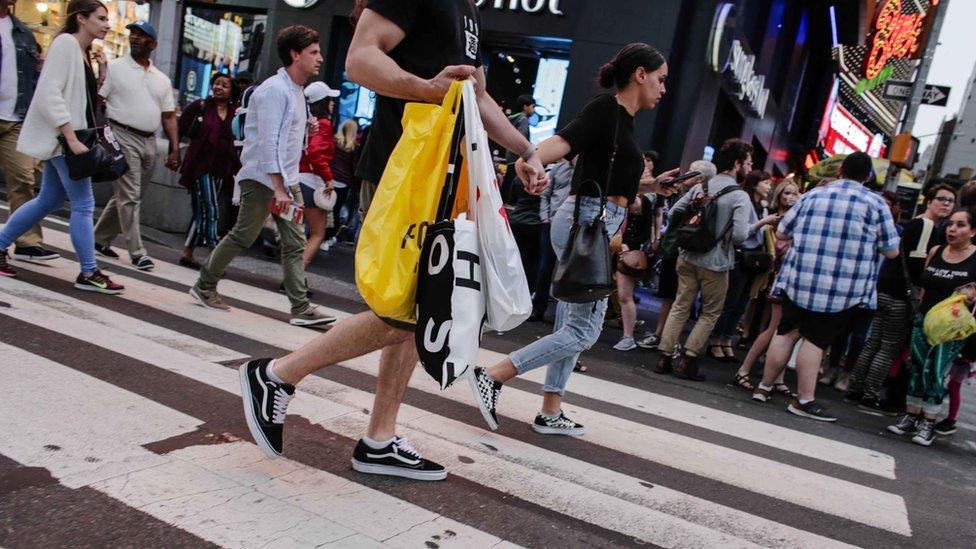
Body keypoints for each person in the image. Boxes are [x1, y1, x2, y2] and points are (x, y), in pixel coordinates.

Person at [238, 0, 547, 481]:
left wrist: (525, 150)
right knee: (409, 312)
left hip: (435, 178)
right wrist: (425, 89)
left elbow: (475, 96)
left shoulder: (466, 9)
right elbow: (360, 58)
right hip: (400, 171)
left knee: (417, 311)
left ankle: (379, 438)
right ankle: (277, 374)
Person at [469, 43, 677, 436]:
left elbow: (615, 183)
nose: (664, 88)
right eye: (661, 79)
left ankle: (551, 409)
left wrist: (652, 186)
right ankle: (493, 374)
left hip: (594, 222)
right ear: (640, 75)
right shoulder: (605, 110)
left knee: (570, 323)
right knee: (584, 330)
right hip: (586, 224)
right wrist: (529, 157)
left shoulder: (624, 122)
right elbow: (561, 143)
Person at [189, 25, 335, 328]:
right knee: (244, 234)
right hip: (263, 180)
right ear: (295, 54)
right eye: (313, 52)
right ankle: (204, 285)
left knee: (295, 242)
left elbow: (286, 141)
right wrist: (279, 188)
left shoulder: (296, 93)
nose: (320, 58)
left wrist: (305, 134)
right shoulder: (273, 91)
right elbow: (268, 143)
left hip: (287, 180)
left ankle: (301, 307)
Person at [751, 152, 899, 422]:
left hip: (799, 278)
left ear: (840, 170)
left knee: (785, 332)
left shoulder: (812, 196)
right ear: (867, 176)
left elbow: (782, 231)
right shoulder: (876, 204)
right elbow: (891, 250)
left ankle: (763, 387)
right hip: (841, 289)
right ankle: (804, 400)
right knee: (815, 341)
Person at [0, 1, 124, 293]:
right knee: (83, 204)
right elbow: (49, 94)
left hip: (67, 138)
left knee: (49, 200)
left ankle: (1, 245)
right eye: (101, 18)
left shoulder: (81, 51)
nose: (107, 24)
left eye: (108, 19)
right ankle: (89, 272)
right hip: (65, 140)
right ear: (81, 18)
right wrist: (70, 138)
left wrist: (103, 69)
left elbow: (82, 98)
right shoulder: (66, 44)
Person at [845, 184, 955, 413]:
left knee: (873, 343)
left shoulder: (914, 223)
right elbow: (917, 263)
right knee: (887, 348)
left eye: (951, 201)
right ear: (929, 201)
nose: (946, 204)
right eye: (941, 199)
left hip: (885, 290)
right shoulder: (925, 225)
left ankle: (855, 388)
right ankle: (869, 393)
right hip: (901, 295)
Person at [653, 139, 754, 381]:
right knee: (710, 312)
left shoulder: (702, 187)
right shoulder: (739, 196)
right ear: (737, 164)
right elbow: (740, 235)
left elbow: (677, 210)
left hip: (687, 255)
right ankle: (688, 360)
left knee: (680, 305)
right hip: (716, 261)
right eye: (748, 163)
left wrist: (687, 229)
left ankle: (664, 356)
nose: (750, 168)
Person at [92, 21, 179, 271]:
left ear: (153, 44)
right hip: (122, 135)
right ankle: (137, 252)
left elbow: (169, 116)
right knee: (129, 195)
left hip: (149, 140)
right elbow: (99, 99)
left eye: (142, 36)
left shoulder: (161, 79)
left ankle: (98, 239)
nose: (135, 38)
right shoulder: (116, 68)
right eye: (133, 34)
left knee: (131, 195)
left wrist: (174, 148)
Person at [888, 208, 976, 446]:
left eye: (960, 225)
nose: (953, 229)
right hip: (924, 319)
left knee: (936, 372)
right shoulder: (936, 251)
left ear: (972, 231)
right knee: (916, 367)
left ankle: (929, 423)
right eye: (950, 224)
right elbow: (924, 287)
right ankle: (911, 415)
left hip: (951, 328)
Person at [0, 0, 59, 262]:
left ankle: (27, 242)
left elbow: (36, 77)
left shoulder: (23, 32)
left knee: (23, 179)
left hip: (14, 117)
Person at [637, 160, 716, 349]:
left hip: (680, 249)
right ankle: (664, 336)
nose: (686, 174)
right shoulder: (686, 193)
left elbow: (672, 213)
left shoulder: (698, 196)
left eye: (691, 172)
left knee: (676, 297)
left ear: (700, 178)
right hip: (676, 247)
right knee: (670, 296)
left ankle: (665, 338)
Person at [730, 179, 799, 393]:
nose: (790, 198)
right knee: (775, 328)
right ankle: (746, 369)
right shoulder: (777, 220)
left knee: (783, 330)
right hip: (776, 277)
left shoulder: (796, 219)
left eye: (793, 194)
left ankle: (775, 376)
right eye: (786, 193)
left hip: (787, 280)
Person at [709, 170, 778, 362]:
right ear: (755, 183)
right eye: (765, 183)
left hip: (754, 259)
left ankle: (727, 340)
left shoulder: (762, 207)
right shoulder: (745, 201)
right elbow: (741, 231)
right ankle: (716, 340)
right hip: (741, 256)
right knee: (730, 301)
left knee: (742, 304)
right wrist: (763, 223)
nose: (768, 187)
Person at [177, 73, 241, 269]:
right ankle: (215, 257)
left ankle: (187, 253)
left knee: (202, 211)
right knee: (211, 209)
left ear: (231, 91)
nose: (219, 87)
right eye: (216, 84)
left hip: (222, 168)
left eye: (224, 85)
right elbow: (180, 126)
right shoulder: (201, 106)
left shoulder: (235, 113)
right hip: (200, 166)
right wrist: (174, 151)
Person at [297, 81, 340, 266]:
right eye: (330, 99)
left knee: (296, 233)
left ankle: (293, 277)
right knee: (318, 233)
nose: (333, 103)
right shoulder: (323, 124)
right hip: (311, 182)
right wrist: (329, 178)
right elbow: (316, 153)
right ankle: (295, 278)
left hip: (295, 179)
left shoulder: (304, 121)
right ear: (323, 102)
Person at [529, 157, 574, 321]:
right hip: (551, 222)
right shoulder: (559, 168)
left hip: (573, 226)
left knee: (567, 271)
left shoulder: (586, 170)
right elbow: (546, 194)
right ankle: (538, 308)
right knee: (545, 268)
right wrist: (545, 217)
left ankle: (563, 315)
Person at [612, 192, 656, 351]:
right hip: (614, 248)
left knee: (624, 296)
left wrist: (627, 245)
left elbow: (645, 232)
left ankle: (628, 336)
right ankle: (626, 336)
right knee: (616, 294)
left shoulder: (644, 202)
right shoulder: (619, 199)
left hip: (626, 253)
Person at [331, 119, 362, 244]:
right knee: (336, 210)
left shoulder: (334, 141)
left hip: (329, 178)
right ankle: (329, 237)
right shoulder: (354, 148)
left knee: (323, 209)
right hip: (343, 183)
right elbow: (354, 167)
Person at [501, 94, 535, 203]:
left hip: (510, 154)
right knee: (513, 182)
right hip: (518, 156)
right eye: (533, 107)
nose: (534, 110)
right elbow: (522, 137)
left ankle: (502, 202)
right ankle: (508, 203)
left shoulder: (513, 118)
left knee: (507, 181)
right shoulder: (523, 119)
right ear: (525, 107)